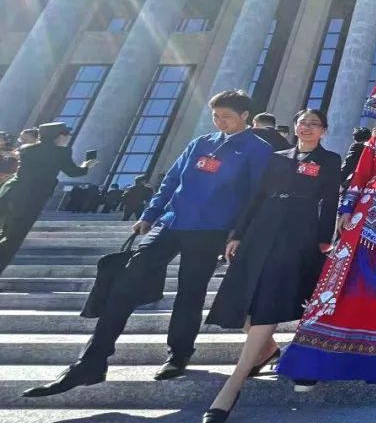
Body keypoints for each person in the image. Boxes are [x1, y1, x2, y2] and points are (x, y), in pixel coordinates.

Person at [23, 91, 273, 398]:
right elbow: (172, 180)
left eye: (227, 117)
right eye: (216, 116)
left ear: (245, 116)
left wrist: (238, 233)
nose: (220, 122)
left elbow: (256, 195)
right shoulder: (201, 142)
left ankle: (179, 355)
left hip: (211, 231)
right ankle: (92, 361)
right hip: (171, 223)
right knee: (125, 281)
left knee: (190, 293)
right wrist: (150, 214)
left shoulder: (257, 149)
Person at [274, 79, 376, 388]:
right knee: (346, 278)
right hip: (365, 214)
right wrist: (346, 210)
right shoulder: (375, 142)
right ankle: (318, 355)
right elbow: (360, 177)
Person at [201, 109, 341, 423]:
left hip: (298, 231)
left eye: (314, 124)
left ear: (323, 131)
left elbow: (331, 200)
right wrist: (238, 234)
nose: (307, 128)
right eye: (302, 122)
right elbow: (257, 197)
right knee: (243, 301)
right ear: (295, 127)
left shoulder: (329, 160)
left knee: (268, 301)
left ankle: (232, 386)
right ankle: (268, 349)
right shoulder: (277, 158)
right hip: (261, 228)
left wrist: (324, 240)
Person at [0, 122, 95, 275]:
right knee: (13, 237)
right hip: (32, 198)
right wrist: (87, 165)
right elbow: (73, 172)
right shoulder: (60, 152)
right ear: (58, 136)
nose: (68, 137)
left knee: (6, 229)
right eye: (66, 134)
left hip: (11, 190)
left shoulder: (26, 149)